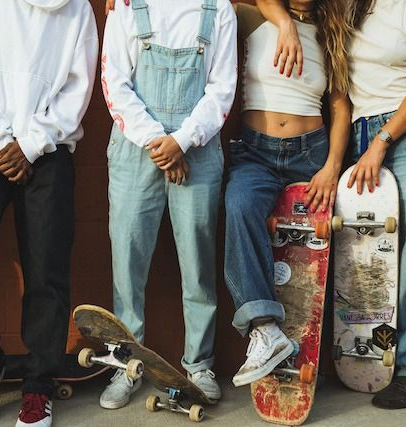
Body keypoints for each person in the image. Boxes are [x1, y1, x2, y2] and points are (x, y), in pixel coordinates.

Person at [258, 0, 406, 410]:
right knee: (365, 262)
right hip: (360, 136)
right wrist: (284, 24)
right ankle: (366, 359)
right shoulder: (345, 7)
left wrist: (381, 142)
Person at [0, 0, 98, 426]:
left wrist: (30, 144)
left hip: (49, 149)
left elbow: (77, 87)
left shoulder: (77, 10)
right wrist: (1, 138)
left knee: (46, 265)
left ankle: (38, 385)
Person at [100, 0, 237, 409]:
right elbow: (114, 81)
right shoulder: (126, 6)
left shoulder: (219, 10)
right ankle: (126, 362)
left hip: (197, 149)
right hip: (134, 149)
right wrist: (157, 142)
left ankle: (199, 364)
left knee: (197, 261)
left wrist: (183, 141)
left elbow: (221, 87)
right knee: (127, 259)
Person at [224, 0, 351, 386]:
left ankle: (319, 351)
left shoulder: (332, 31)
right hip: (254, 152)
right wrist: (283, 23)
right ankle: (265, 330)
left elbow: (340, 105)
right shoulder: (253, 16)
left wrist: (331, 167)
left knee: (319, 246)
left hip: (310, 152)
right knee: (239, 205)